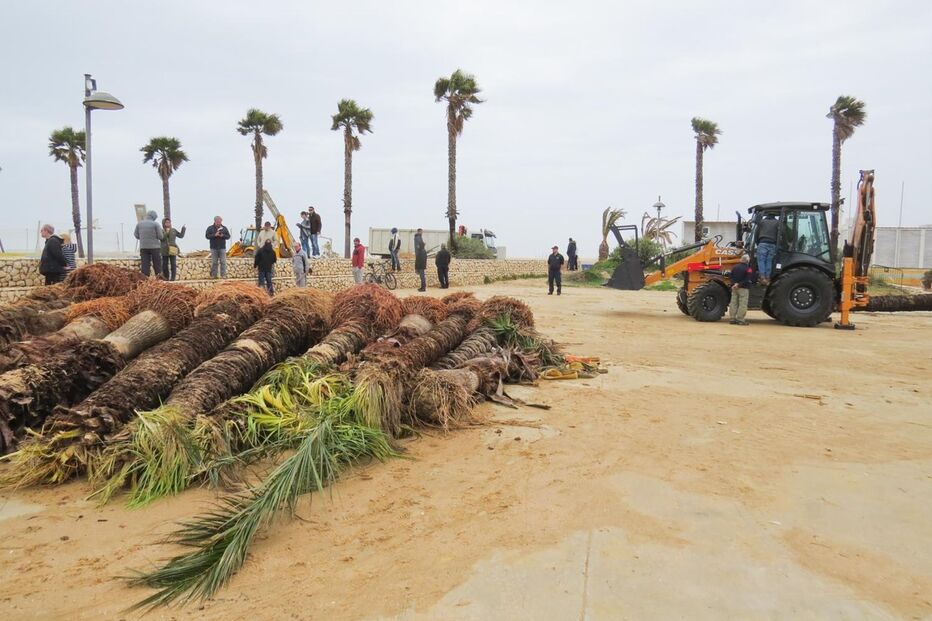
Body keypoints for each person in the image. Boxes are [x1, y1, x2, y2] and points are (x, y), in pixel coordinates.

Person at [134, 210, 164, 278]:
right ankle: (159, 279)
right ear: (153, 217)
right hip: (155, 247)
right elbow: (160, 236)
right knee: (157, 265)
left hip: (143, 247)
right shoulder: (155, 224)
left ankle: (145, 280)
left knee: (145, 265)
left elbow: (136, 235)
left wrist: (143, 238)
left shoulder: (139, 224)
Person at [729, 253, 753, 325]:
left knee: (733, 303)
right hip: (744, 288)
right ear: (747, 261)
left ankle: (732, 318)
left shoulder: (734, 267)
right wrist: (739, 284)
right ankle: (740, 319)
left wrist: (734, 284)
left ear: (741, 259)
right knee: (743, 304)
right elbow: (747, 279)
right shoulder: (749, 269)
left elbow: (731, 276)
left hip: (734, 288)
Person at [756, 213, 779, 284]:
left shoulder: (762, 222)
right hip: (773, 244)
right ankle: (768, 277)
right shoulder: (777, 222)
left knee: (761, 260)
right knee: (769, 261)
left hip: (763, 242)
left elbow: (756, 233)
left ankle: (762, 277)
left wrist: (757, 243)